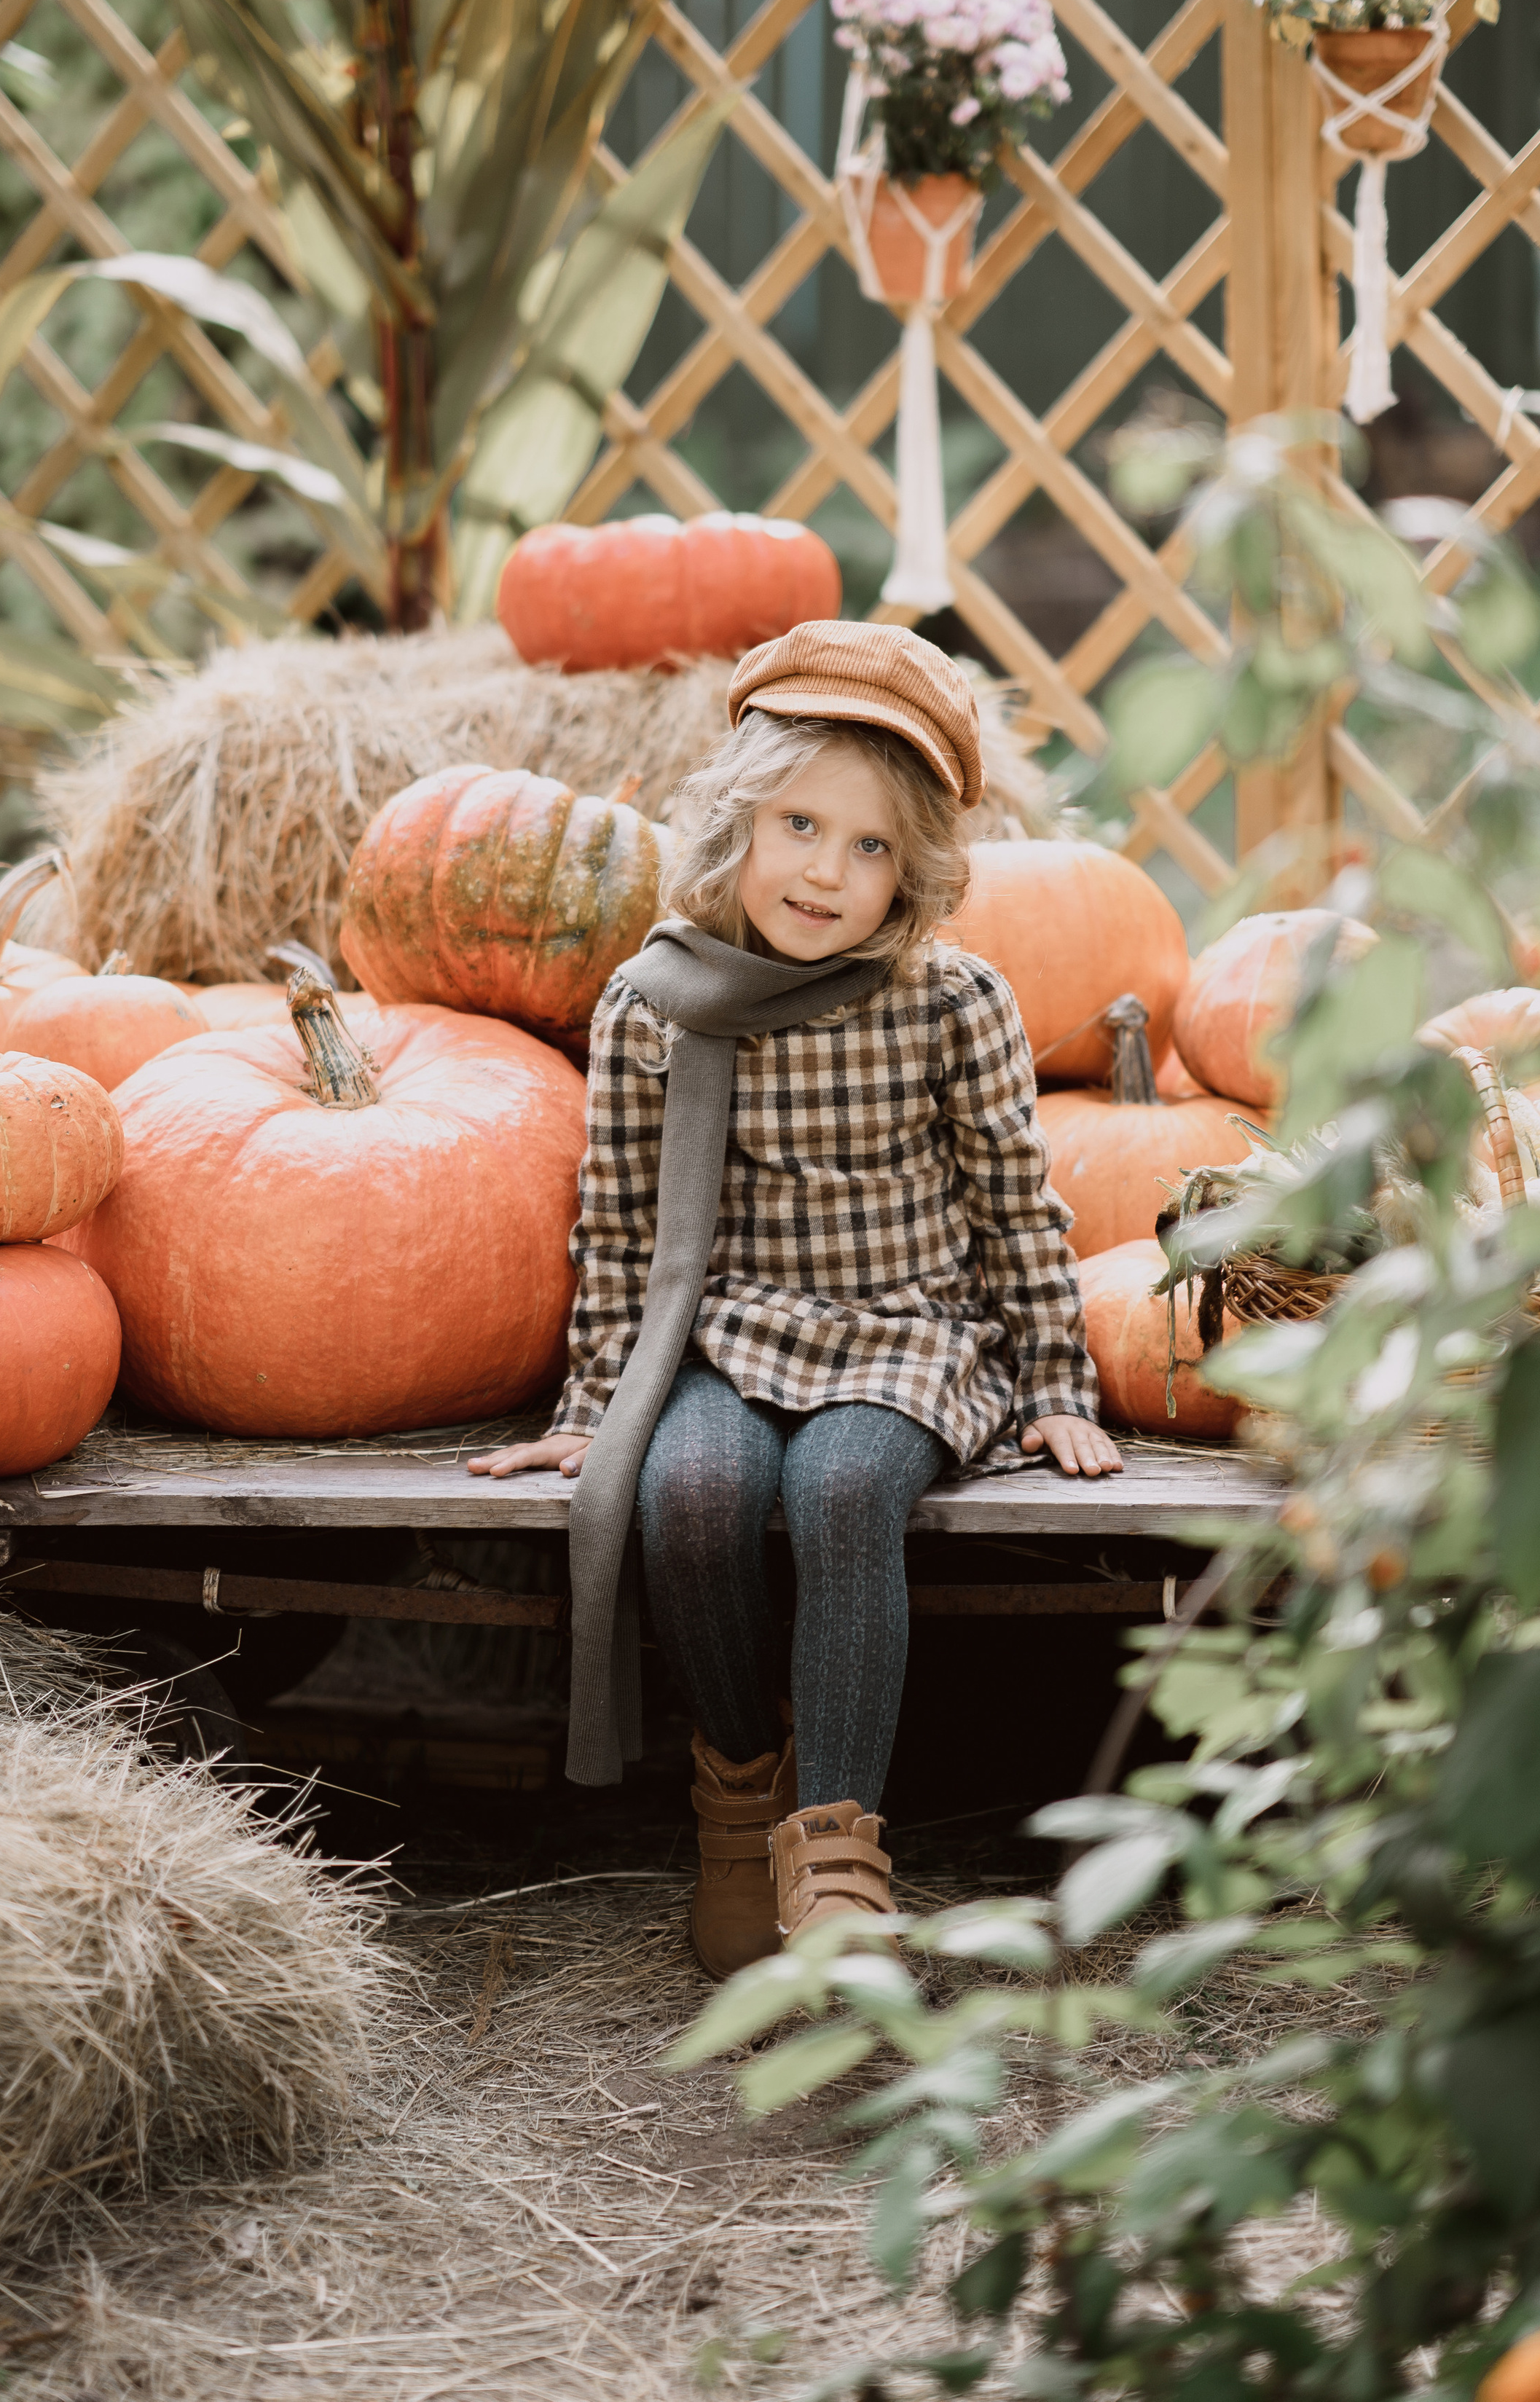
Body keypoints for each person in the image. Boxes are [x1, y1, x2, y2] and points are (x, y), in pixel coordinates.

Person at [472, 620, 1118, 1977]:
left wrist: (1056, 1385)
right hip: (724, 1332)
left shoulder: (951, 1002)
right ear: (739, 823)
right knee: (688, 1496)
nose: (827, 872)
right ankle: (737, 1796)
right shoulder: (659, 1004)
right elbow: (626, 1226)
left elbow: (1015, 1204)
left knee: (840, 1491)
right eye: (801, 825)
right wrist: (601, 1407)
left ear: (918, 869)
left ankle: (837, 1848)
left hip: (907, 1333)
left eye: (872, 847)